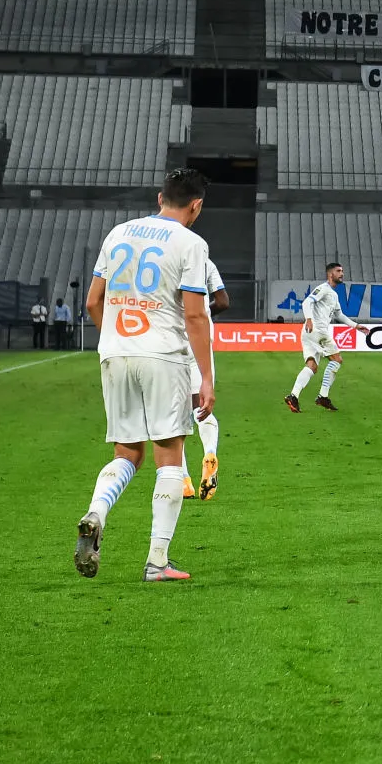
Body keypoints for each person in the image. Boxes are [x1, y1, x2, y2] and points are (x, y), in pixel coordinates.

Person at [74, 168, 214, 583]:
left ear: (159, 198)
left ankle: (96, 512)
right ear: (196, 205)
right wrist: (205, 377)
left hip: (115, 351)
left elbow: (93, 301)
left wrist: (117, 339)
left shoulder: (118, 233)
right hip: (163, 354)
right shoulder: (192, 243)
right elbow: (194, 313)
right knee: (169, 455)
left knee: (127, 452)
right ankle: (157, 562)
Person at [181, 260, 229, 500]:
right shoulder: (204, 260)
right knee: (202, 406)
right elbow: (223, 302)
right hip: (201, 333)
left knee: (173, 414)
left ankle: (183, 481)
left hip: (171, 335)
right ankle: (210, 452)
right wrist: (206, 312)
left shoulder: (160, 255)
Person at [288, 262, 353, 412]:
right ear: (331, 274)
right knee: (337, 360)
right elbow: (306, 302)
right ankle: (323, 396)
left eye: (342, 270)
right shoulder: (323, 289)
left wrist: (356, 326)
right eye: (338, 271)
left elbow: (340, 315)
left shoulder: (334, 295)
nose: (342, 273)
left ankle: (293, 396)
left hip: (309, 333)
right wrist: (309, 319)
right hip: (318, 331)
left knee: (312, 366)